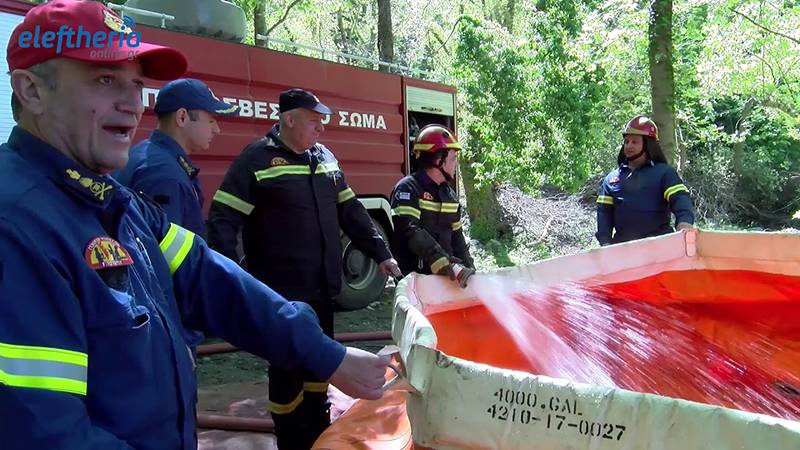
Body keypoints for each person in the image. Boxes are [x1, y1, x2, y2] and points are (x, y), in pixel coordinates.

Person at [0, 2, 389, 450]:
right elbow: (45, 433)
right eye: (104, 80)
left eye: (137, 84)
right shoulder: (18, 228)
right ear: (31, 91)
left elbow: (211, 279)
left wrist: (329, 355)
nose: (132, 104)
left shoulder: (115, 204)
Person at [206, 88, 402, 449]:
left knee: (320, 367)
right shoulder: (257, 161)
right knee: (287, 374)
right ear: (289, 119)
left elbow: (352, 212)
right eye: (314, 121)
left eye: (322, 122)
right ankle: (290, 440)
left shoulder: (324, 157)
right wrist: (228, 278)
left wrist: (380, 252)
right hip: (282, 296)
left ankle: (318, 434)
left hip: (322, 290)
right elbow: (223, 219)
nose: (320, 129)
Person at [114, 78, 239, 237]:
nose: (217, 129)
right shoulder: (164, 175)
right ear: (182, 117)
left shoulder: (146, 154)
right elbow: (164, 252)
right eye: (211, 120)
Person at [390, 124, 474, 286]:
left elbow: (457, 239)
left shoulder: (449, 195)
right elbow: (410, 231)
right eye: (453, 158)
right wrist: (443, 263)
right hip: (417, 282)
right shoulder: (408, 189)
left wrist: (468, 268)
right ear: (438, 160)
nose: (456, 164)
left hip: (447, 280)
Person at [595, 115, 695, 246]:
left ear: (648, 144)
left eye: (635, 142)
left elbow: (680, 199)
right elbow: (604, 214)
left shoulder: (664, 173)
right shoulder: (611, 179)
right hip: (623, 250)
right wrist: (605, 243)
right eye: (626, 141)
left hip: (660, 247)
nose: (629, 145)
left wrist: (684, 225)